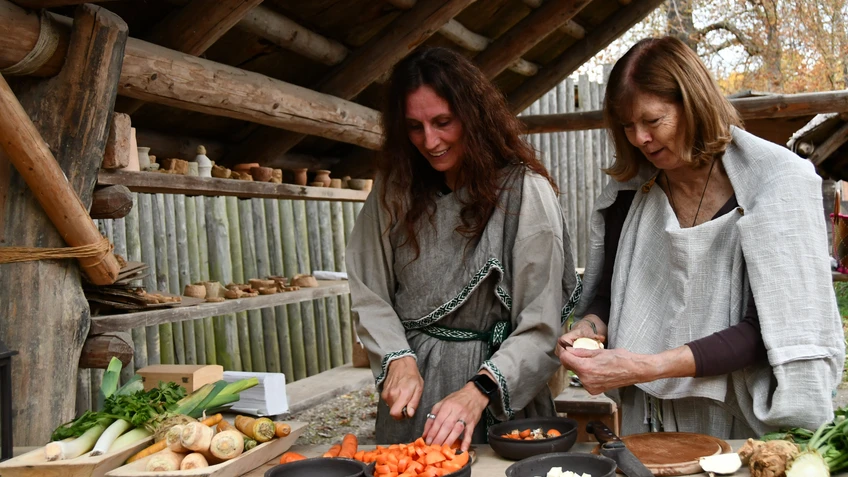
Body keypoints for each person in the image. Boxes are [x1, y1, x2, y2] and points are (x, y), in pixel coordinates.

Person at [558, 36, 844, 438]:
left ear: (692, 105)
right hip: (651, 417)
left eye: (652, 121)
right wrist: (588, 329)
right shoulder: (632, 195)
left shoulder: (777, 184)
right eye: (627, 126)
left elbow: (774, 328)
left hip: (742, 417)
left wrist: (650, 365)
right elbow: (610, 293)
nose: (639, 138)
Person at [346, 46, 581, 451]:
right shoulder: (393, 190)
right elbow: (369, 292)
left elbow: (542, 324)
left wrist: (479, 391)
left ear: (474, 117)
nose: (430, 141)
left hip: (501, 403)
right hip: (413, 400)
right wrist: (397, 357)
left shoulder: (525, 193)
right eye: (415, 127)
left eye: (443, 122)